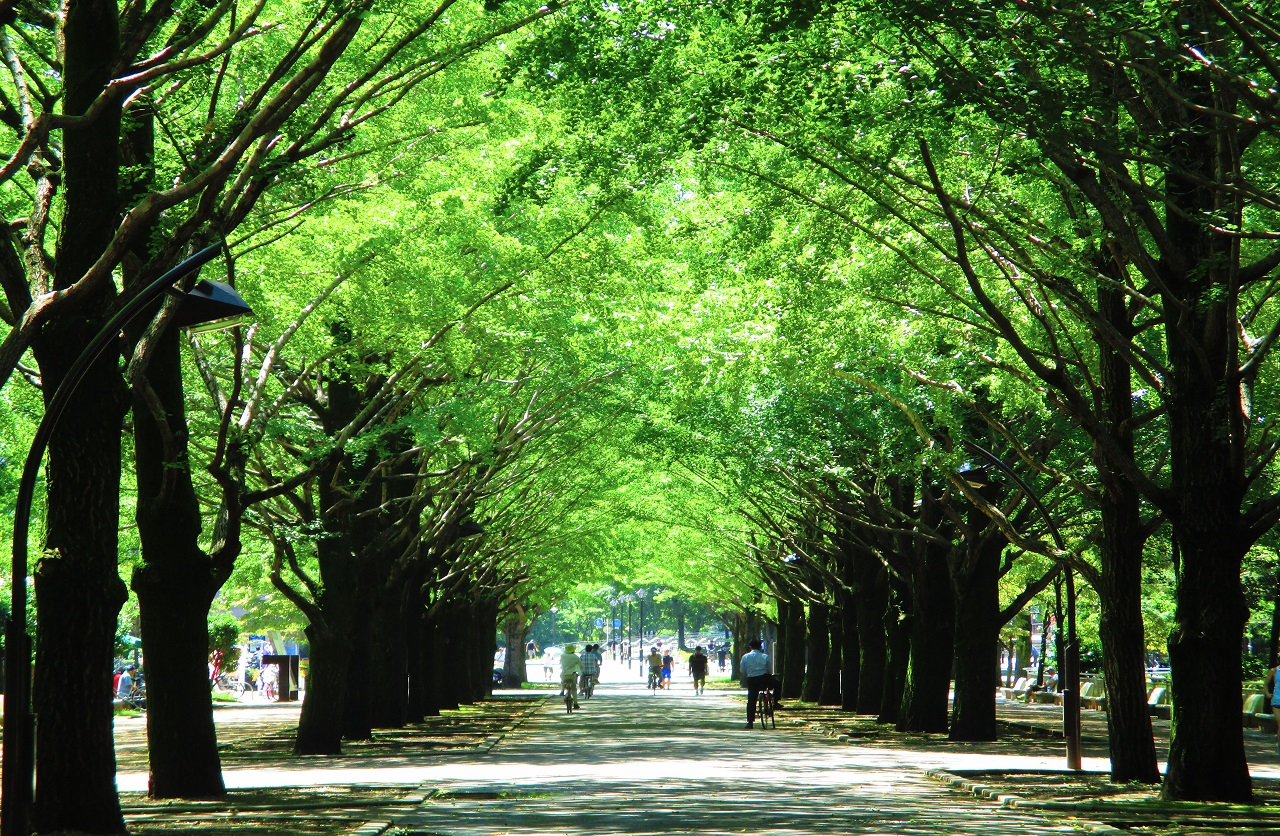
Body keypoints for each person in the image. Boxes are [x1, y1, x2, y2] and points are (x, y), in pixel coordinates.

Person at [740, 639, 781, 728]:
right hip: (764, 679)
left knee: (751, 700)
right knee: (777, 684)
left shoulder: (745, 657)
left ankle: (750, 722)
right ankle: (776, 702)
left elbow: (742, 670)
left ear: (750, 647)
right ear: (760, 647)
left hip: (752, 680)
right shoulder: (765, 656)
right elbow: (769, 670)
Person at [560, 645, 583, 709]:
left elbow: (560, 663)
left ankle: (562, 691)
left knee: (563, 682)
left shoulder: (562, 656)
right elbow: (581, 665)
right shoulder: (575, 657)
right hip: (572, 675)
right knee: (574, 689)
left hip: (564, 674)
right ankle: (575, 703)